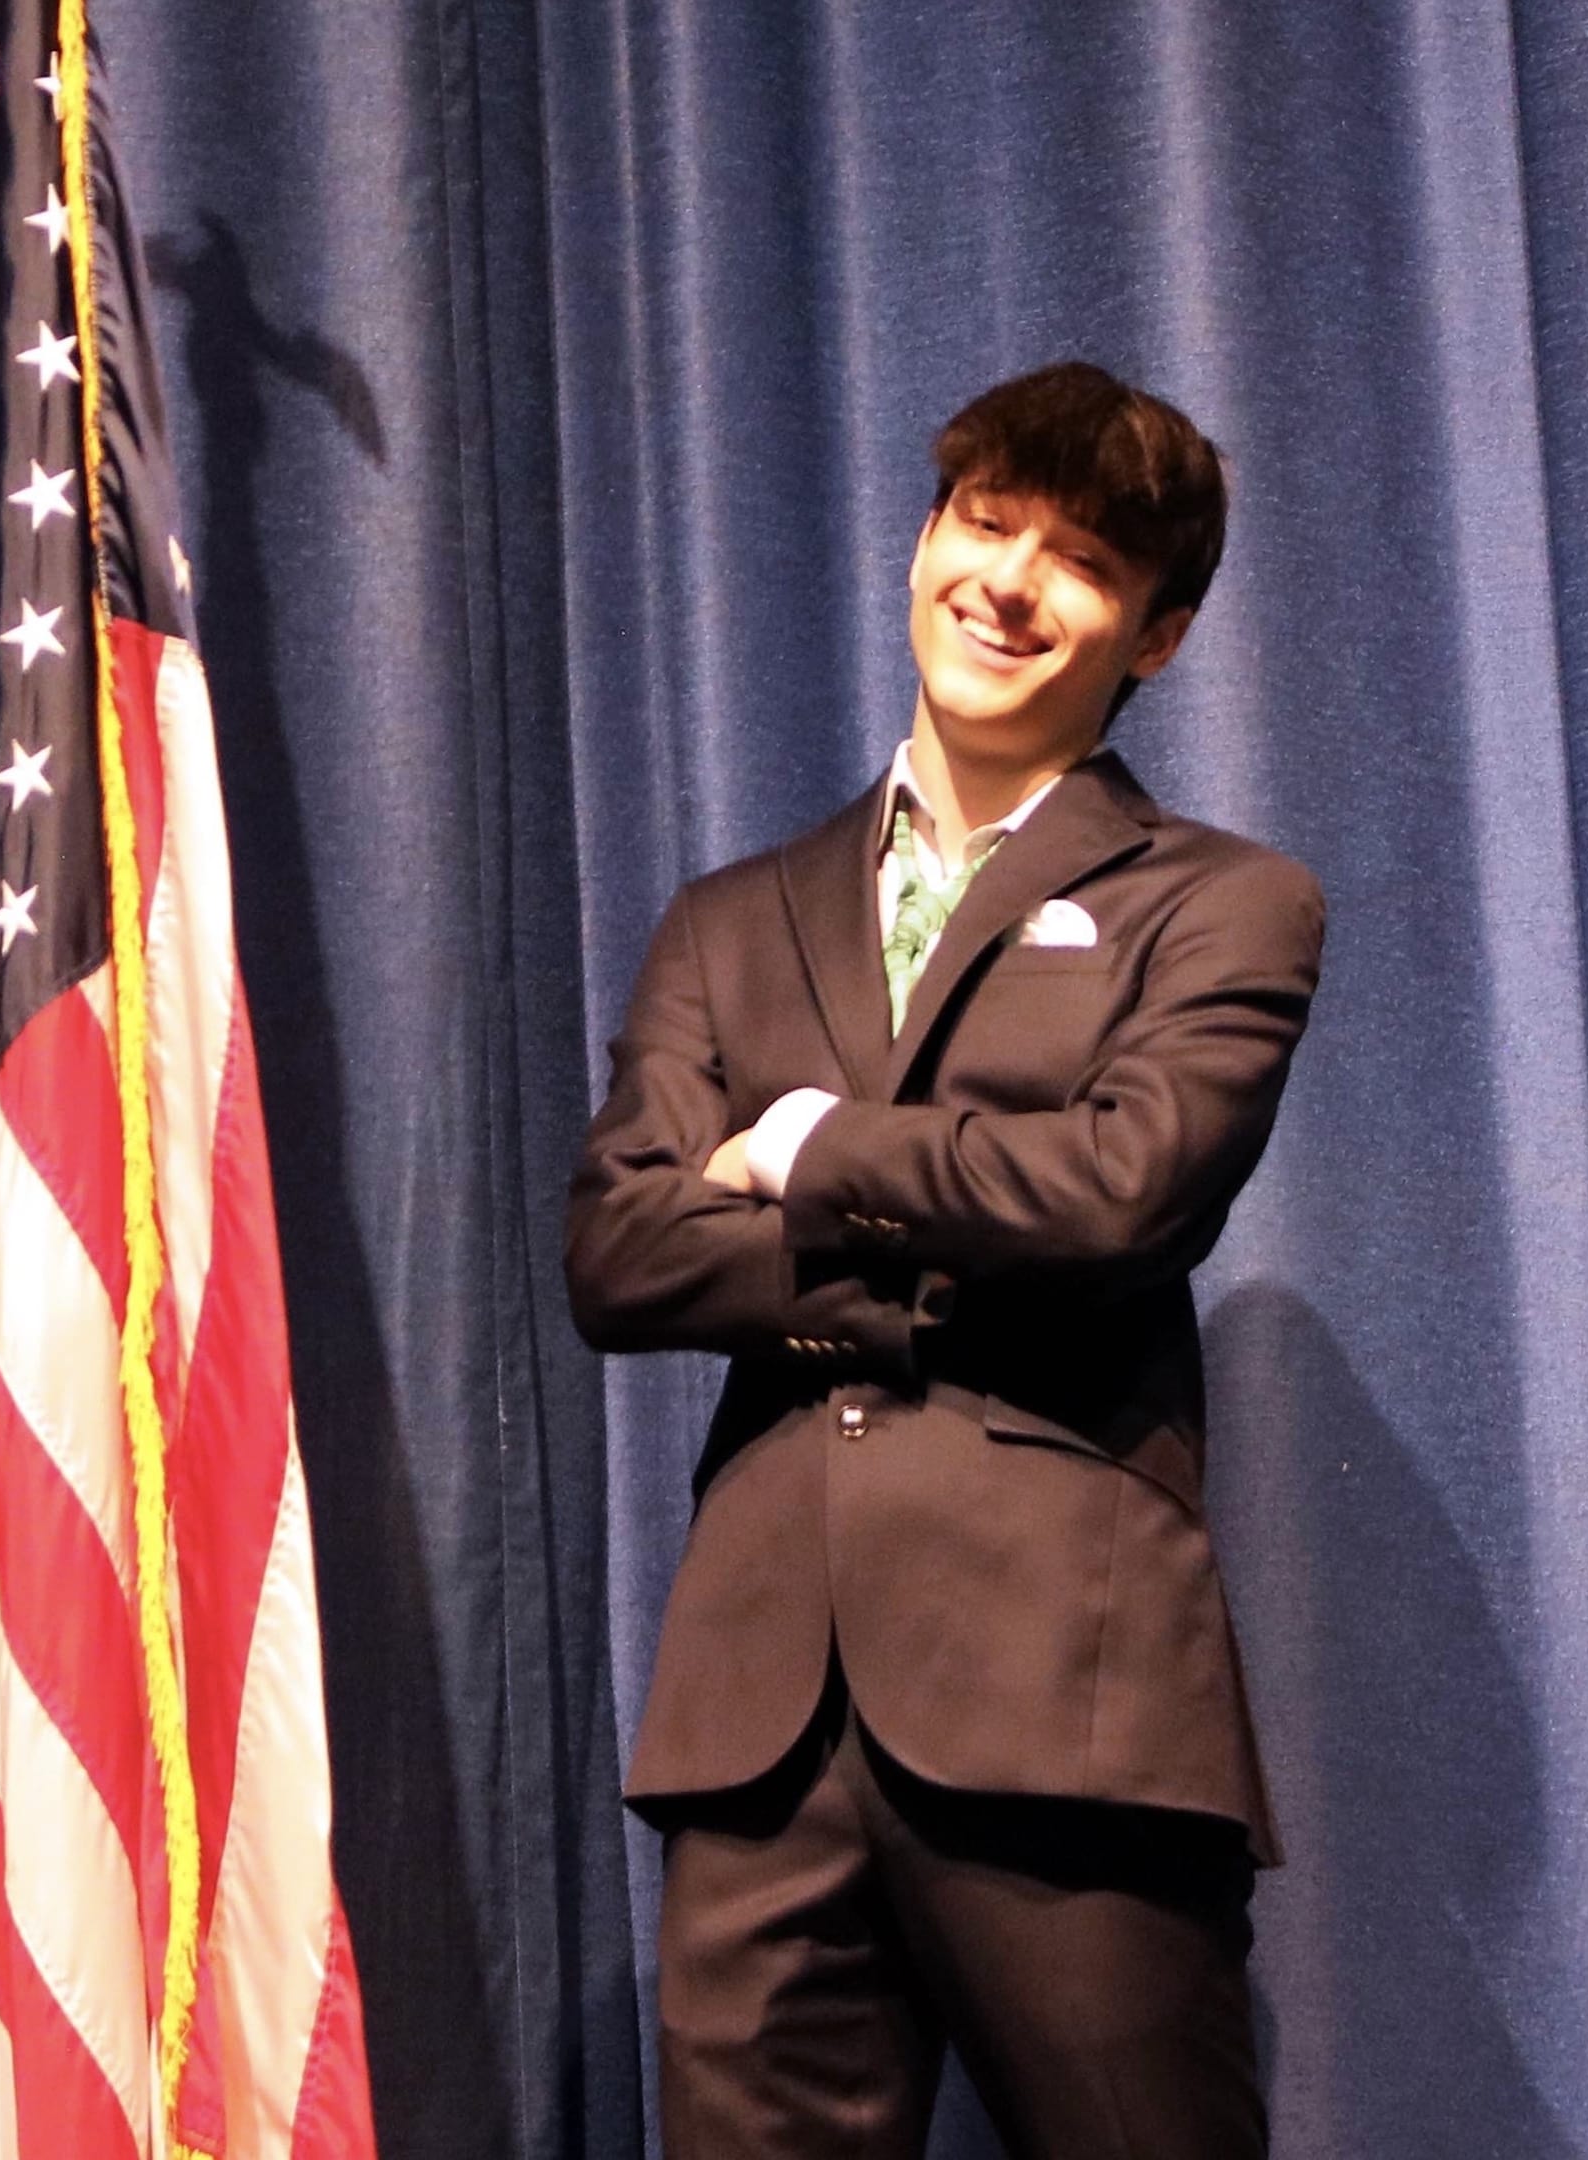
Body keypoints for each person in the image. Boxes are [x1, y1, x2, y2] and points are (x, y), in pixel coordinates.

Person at [567, 362, 1321, 2158]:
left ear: (1157, 637)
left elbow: (1123, 1195)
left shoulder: (1222, 901)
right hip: (756, 1722)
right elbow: (622, 1252)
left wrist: (803, 1149)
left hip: (1068, 1692)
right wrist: (938, 1266)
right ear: (922, 544)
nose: (1009, 583)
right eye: (984, 525)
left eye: (1081, 562)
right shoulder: (728, 920)